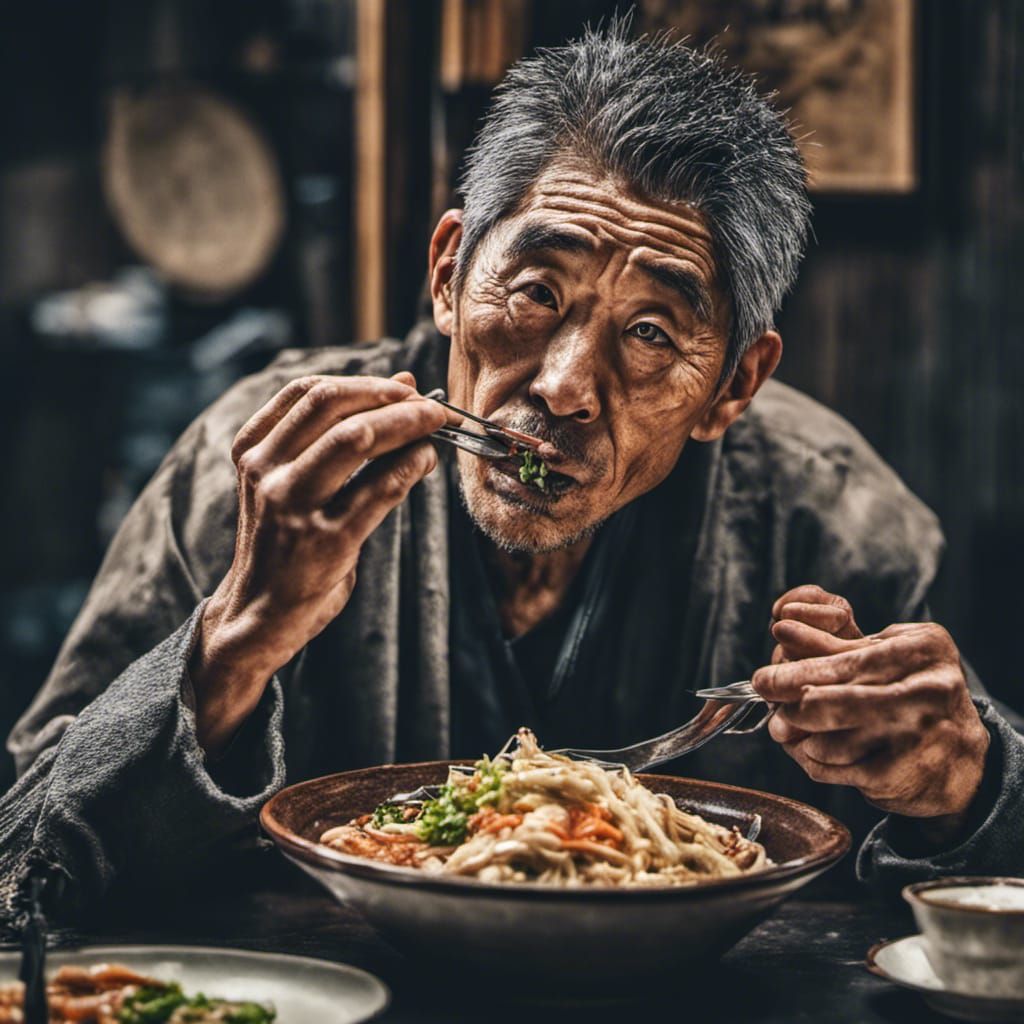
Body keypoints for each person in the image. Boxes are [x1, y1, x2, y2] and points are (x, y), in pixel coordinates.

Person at [2, 23, 1021, 929]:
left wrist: (965, 787)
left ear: (734, 384)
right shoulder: (261, 468)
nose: (567, 385)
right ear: (448, 273)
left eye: (652, 331)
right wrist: (235, 637)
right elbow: (20, 876)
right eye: (534, 290)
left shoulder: (837, 523)